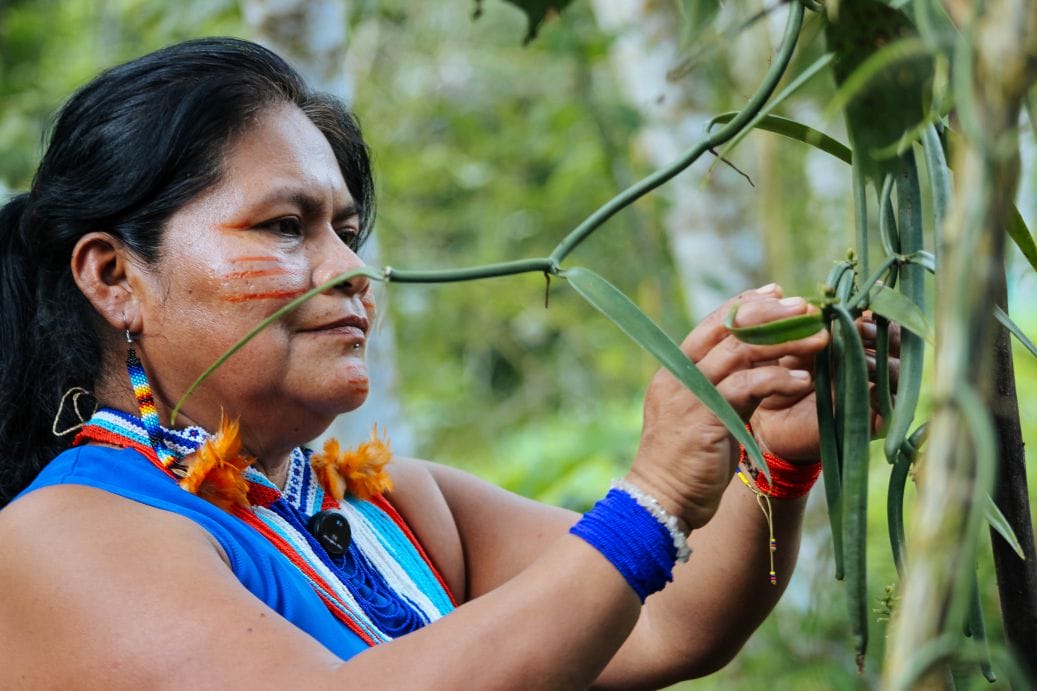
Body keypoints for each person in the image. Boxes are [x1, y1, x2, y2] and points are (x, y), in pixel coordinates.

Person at [0, 37, 878, 689]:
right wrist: (651, 493)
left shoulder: (395, 501)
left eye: (346, 232)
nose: (350, 271)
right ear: (115, 276)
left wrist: (770, 454)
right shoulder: (61, 534)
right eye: (282, 226)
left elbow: (665, 620)